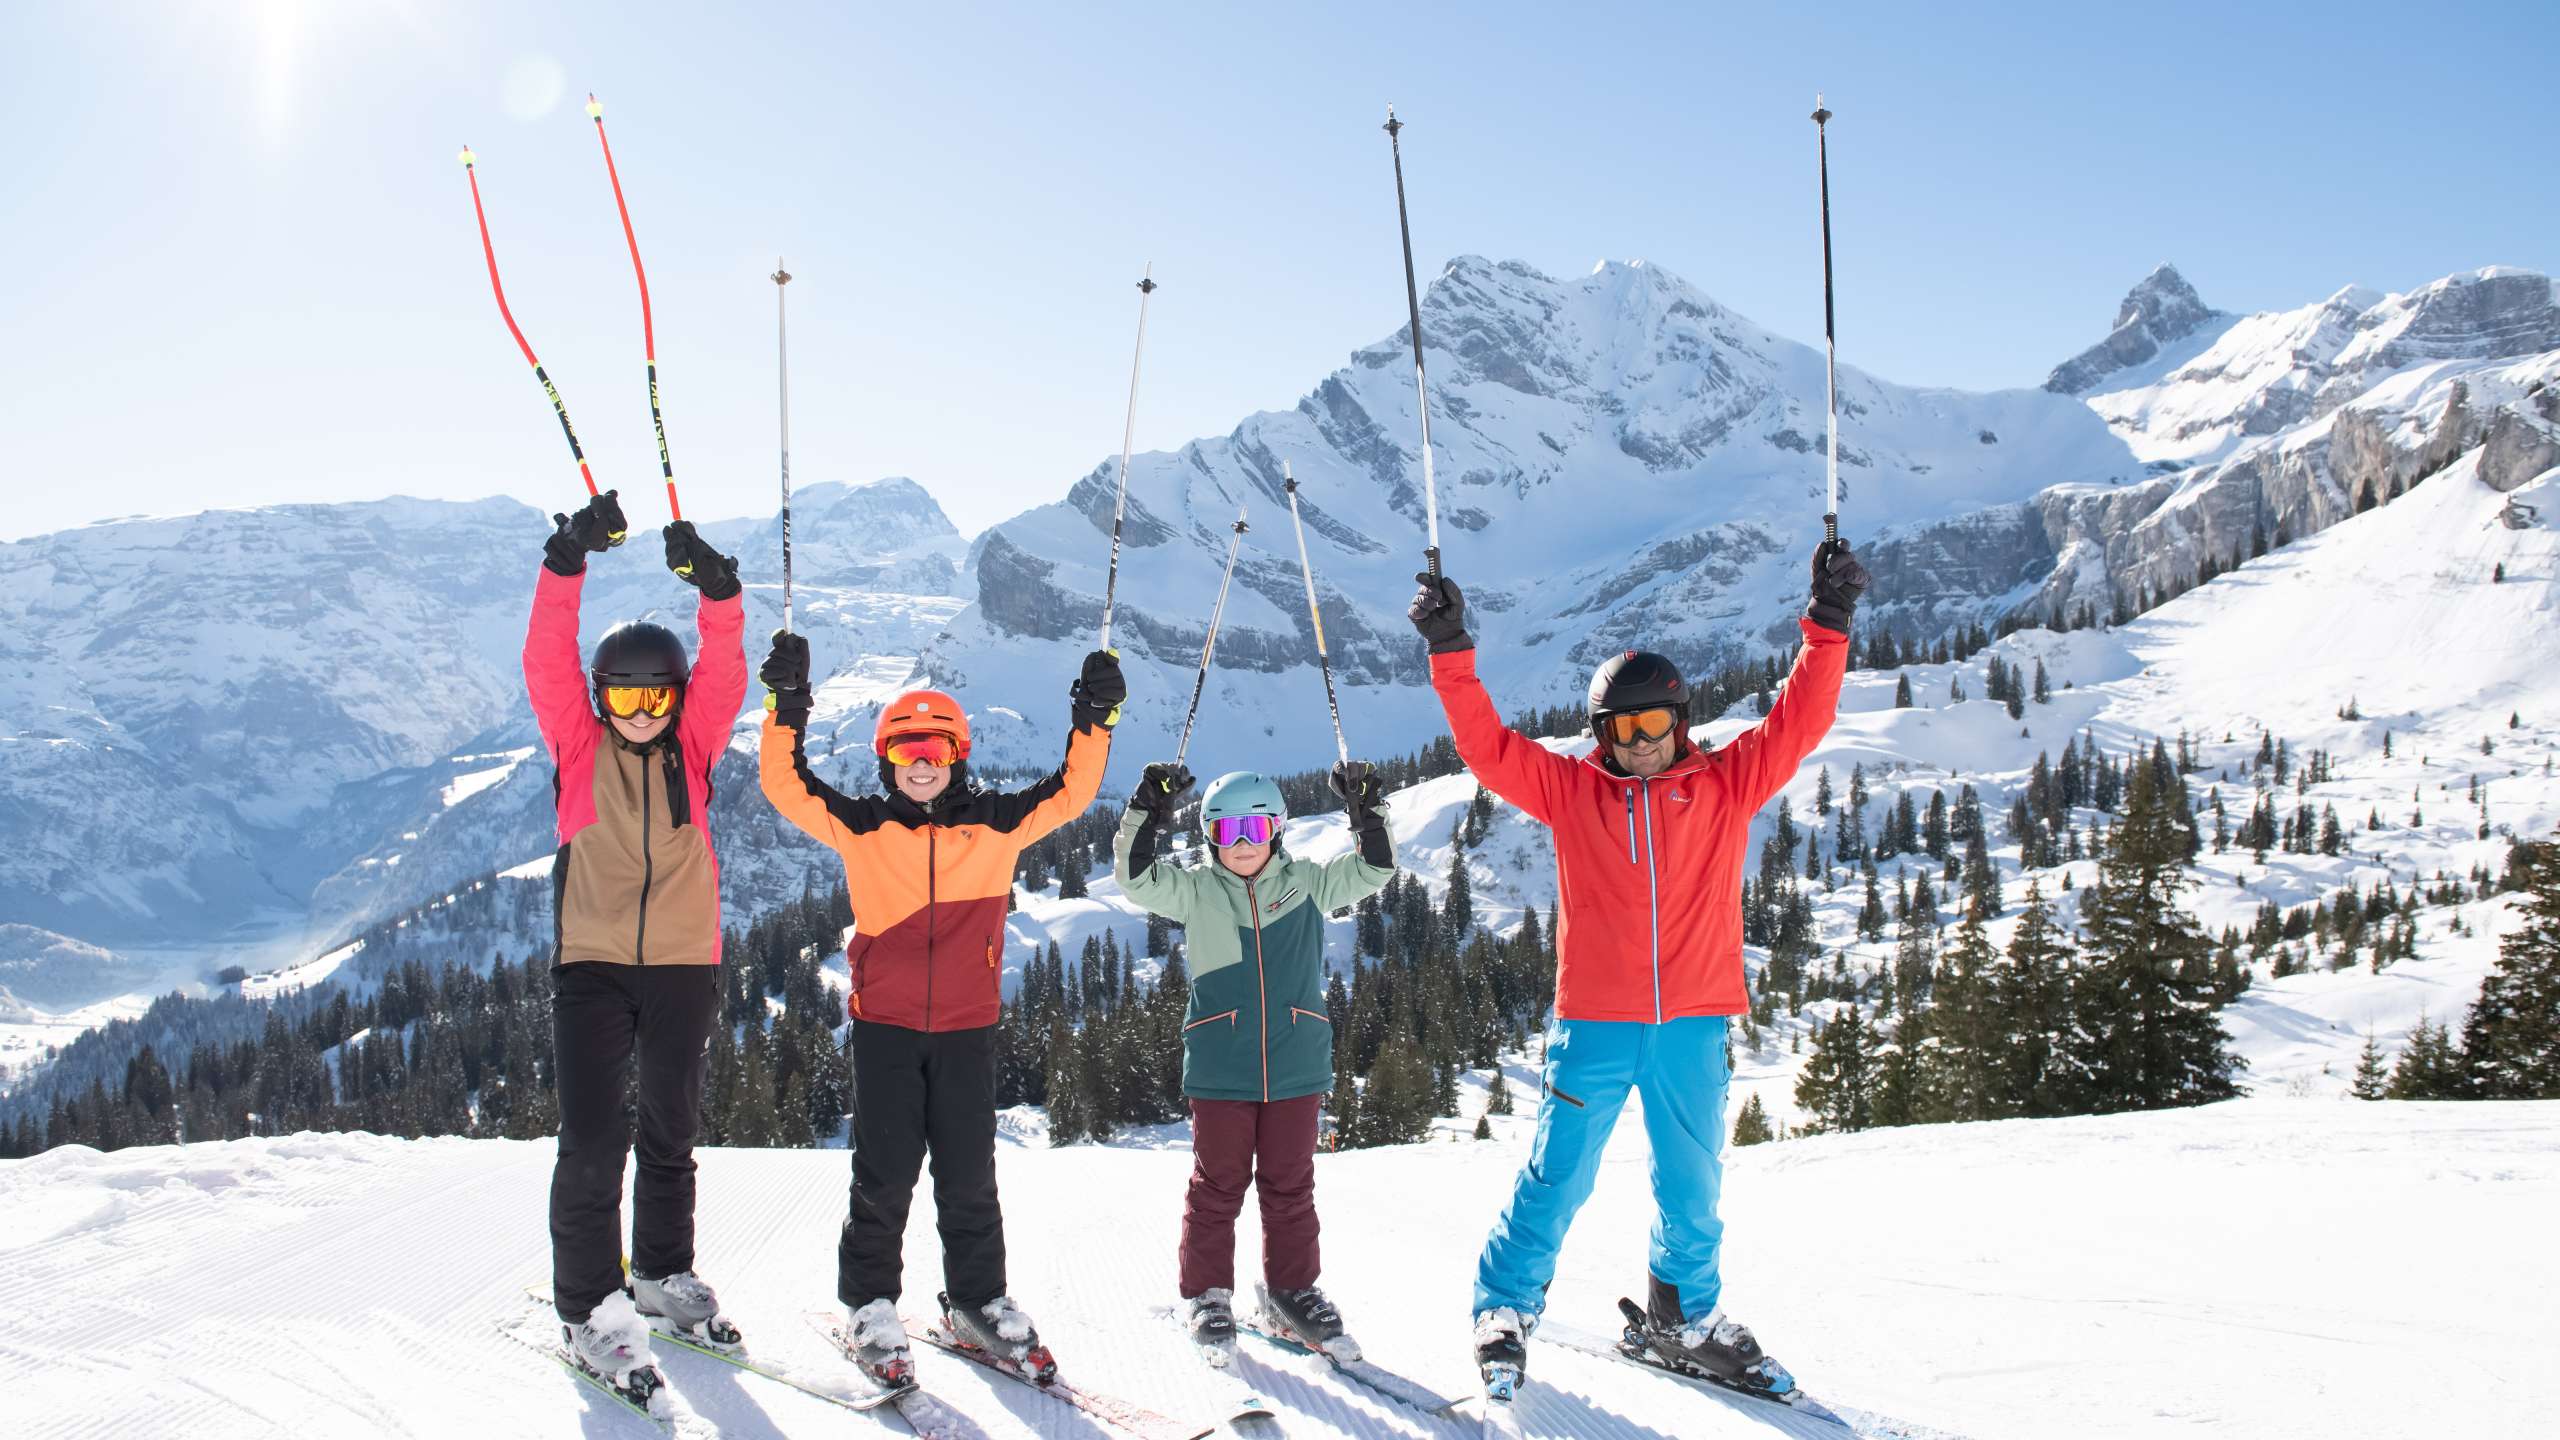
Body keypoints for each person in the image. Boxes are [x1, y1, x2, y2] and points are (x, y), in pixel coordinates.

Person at [1408, 540, 1870, 1399]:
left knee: (1692, 1186)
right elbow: (1488, 749)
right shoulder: (1573, 793)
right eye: (1625, 729)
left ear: (1680, 723)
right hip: (1596, 1022)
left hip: (1693, 1019)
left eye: (1657, 725)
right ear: (1603, 735)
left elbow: (1798, 722)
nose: (1644, 744)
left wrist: (1829, 625)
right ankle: (1504, 1308)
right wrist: (1449, 651)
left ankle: (1682, 1315)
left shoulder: (1726, 784)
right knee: (1558, 1173)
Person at [757, 632, 1125, 1386]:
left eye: (935, 751)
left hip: (966, 1027)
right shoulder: (863, 826)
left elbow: (1069, 792)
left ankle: (978, 1301)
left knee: (968, 1175)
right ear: (887, 761)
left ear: (957, 755)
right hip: (886, 1028)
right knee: (884, 1173)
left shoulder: (993, 824)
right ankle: (869, 1305)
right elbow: (787, 787)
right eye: (906, 753)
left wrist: (1095, 723)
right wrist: (783, 711)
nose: (921, 765)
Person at [523, 487, 748, 1376]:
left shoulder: (694, 750)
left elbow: (727, 673)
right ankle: (586, 1307)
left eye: (657, 694)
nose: (643, 710)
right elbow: (545, 661)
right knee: (591, 1140)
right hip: (593, 965)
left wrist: (719, 594)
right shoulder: (580, 751)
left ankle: (658, 1272)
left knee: (670, 1131)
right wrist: (566, 561)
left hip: (684, 965)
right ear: (602, 697)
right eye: (625, 694)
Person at [1113, 762, 1396, 1367]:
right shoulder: (1196, 890)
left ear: (1278, 831)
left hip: (1296, 1061)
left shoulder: (1311, 884)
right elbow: (1134, 877)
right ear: (1211, 837)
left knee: (1291, 1187)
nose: (1243, 843)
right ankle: (1207, 1295)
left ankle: (1292, 1290)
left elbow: (1374, 869)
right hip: (1222, 1063)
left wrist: (1367, 813)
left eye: (1256, 828)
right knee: (1218, 1186)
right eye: (1228, 830)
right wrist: (1147, 809)